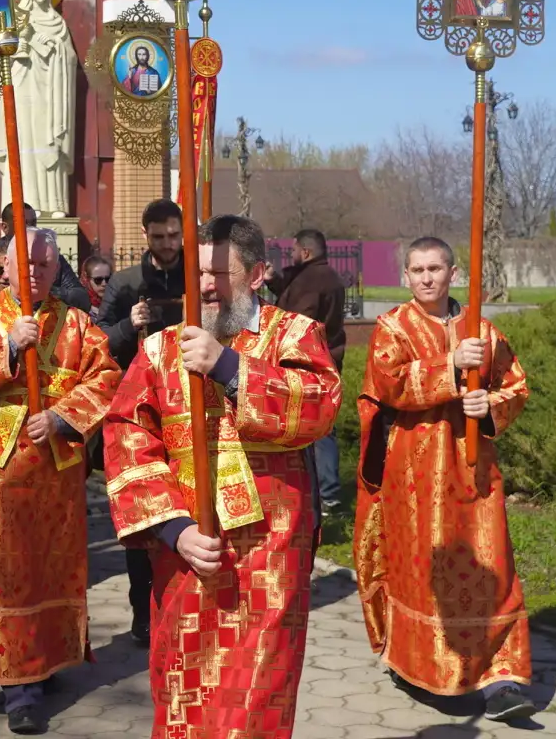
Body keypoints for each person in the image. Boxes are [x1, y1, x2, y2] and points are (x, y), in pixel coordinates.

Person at [102, 213, 342, 738]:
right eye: (199, 272)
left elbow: (320, 406)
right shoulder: (159, 349)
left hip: (270, 559)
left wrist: (229, 367)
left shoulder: (294, 334)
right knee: (183, 695)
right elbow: (126, 439)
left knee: (256, 701)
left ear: (256, 275)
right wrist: (174, 530)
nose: (206, 285)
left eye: (220, 273)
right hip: (187, 555)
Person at [0, 227, 120, 735]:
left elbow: (105, 377)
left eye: (45, 264)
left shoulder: (78, 322)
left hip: (57, 463)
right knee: (9, 571)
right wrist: (9, 350)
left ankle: (48, 659)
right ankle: (18, 685)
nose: (36, 272)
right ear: (7, 267)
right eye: (27, 264)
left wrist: (63, 417)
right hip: (3, 465)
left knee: (54, 567)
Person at [353, 236, 534, 723]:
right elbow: (386, 384)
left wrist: (489, 406)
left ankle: (502, 678)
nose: (427, 277)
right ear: (406, 276)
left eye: (436, 268)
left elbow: (515, 386)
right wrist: (449, 368)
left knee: (491, 566)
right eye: (417, 270)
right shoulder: (394, 326)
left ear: (454, 273)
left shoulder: (484, 331)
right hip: (414, 474)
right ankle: (421, 664)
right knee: (424, 572)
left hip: (475, 471)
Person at [93, 197, 189, 645]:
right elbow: (98, 345)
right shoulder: (126, 282)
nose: (168, 245)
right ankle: (141, 608)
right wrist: (128, 325)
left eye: (174, 235)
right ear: (145, 235)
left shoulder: (198, 277)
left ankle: (186, 604)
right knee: (143, 514)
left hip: (193, 409)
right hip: (142, 414)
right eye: (159, 237)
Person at [267, 228, 351, 518]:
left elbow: (298, 317)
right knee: (323, 428)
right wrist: (276, 282)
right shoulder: (327, 277)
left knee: (313, 431)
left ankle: (323, 494)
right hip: (327, 360)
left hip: (308, 364)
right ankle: (325, 493)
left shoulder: (312, 281)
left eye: (293, 251)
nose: (290, 256)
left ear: (304, 251)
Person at [0, 202, 91, 311]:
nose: (30, 229)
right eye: (24, 224)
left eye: (33, 223)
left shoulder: (49, 256)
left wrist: (45, 290)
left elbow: (80, 297)